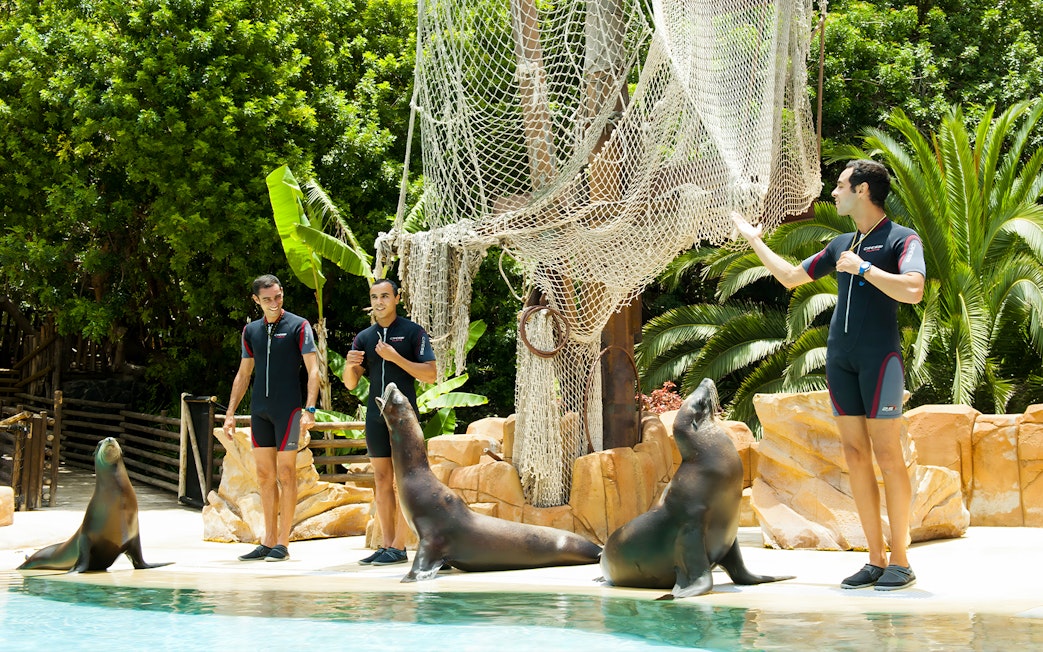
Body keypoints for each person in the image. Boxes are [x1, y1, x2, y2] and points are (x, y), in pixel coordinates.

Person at [731, 159, 925, 591]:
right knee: (855, 456)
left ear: (862, 190)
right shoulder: (840, 245)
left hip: (880, 361)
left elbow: (914, 290)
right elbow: (788, 278)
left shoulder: (900, 239)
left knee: (888, 457)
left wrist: (865, 270)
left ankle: (901, 560)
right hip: (841, 360)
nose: (832, 193)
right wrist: (755, 242)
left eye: (839, 186)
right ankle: (875, 559)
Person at [221, 274, 320, 562]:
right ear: (256, 300)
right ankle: (267, 540)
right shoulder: (250, 331)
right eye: (267, 299)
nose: (274, 303)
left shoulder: (299, 326)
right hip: (260, 411)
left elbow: (313, 369)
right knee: (264, 476)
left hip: (287, 410)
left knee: (286, 474)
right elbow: (243, 374)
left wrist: (310, 408)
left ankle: (283, 543)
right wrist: (229, 414)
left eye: (277, 296)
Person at [342, 278, 437, 566]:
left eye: (385, 296)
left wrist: (395, 358)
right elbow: (349, 384)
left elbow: (430, 374)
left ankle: (399, 546)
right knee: (381, 480)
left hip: (403, 416)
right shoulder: (365, 337)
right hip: (375, 416)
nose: (379, 302)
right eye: (374, 297)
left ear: (397, 298)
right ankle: (387, 546)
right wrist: (349, 364)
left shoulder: (412, 332)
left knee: (403, 482)